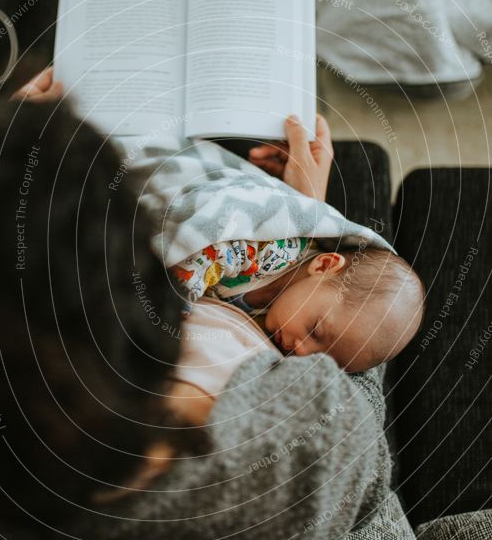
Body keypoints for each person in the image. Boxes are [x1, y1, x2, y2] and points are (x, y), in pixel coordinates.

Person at [0, 92, 391, 540]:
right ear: (149, 288)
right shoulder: (317, 443)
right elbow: (364, 352)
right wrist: (307, 218)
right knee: (366, 179)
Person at [172, 116, 425, 373]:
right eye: (315, 330)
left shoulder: (275, 317)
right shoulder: (277, 250)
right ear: (325, 265)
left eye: (321, 360)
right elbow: (210, 253)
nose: (302, 351)